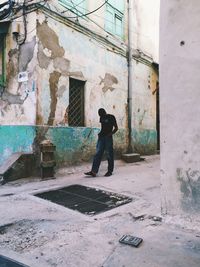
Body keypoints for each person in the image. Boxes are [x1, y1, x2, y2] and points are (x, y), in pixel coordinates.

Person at [84, 108, 118, 177]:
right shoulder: (101, 118)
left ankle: (110, 171)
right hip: (101, 138)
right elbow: (103, 128)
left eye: (101, 113)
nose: (100, 115)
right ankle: (94, 171)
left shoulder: (111, 117)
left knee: (109, 154)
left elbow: (116, 128)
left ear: (105, 112)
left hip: (108, 138)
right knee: (97, 154)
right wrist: (100, 134)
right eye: (99, 114)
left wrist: (110, 134)